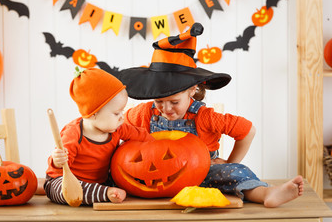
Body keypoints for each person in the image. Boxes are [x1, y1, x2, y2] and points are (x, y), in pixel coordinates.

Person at [118, 22, 304, 208]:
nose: (165, 109)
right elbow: (117, 127)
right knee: (116, 173)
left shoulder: (204, 117)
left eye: (174, 102)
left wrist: (229, 163)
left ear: (192, 90)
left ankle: (266, 193)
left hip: (204, 175)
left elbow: (248, 131)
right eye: (159, 101)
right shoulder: (144, 113)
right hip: (154, 179)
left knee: (235, 174)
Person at [44, 67, 155, 205]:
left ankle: (103, 191)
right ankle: (105, 193)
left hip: (100, 181)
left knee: (121, 181)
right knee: (63, 190)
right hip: (67, 180)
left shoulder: (117, 128)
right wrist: (58, 160)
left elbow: (141, 136)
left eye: (122, 112)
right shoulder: (74, 134)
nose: (122, 117)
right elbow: (58, 168)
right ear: (94, 113)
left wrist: (158, 144)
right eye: (116, 113)